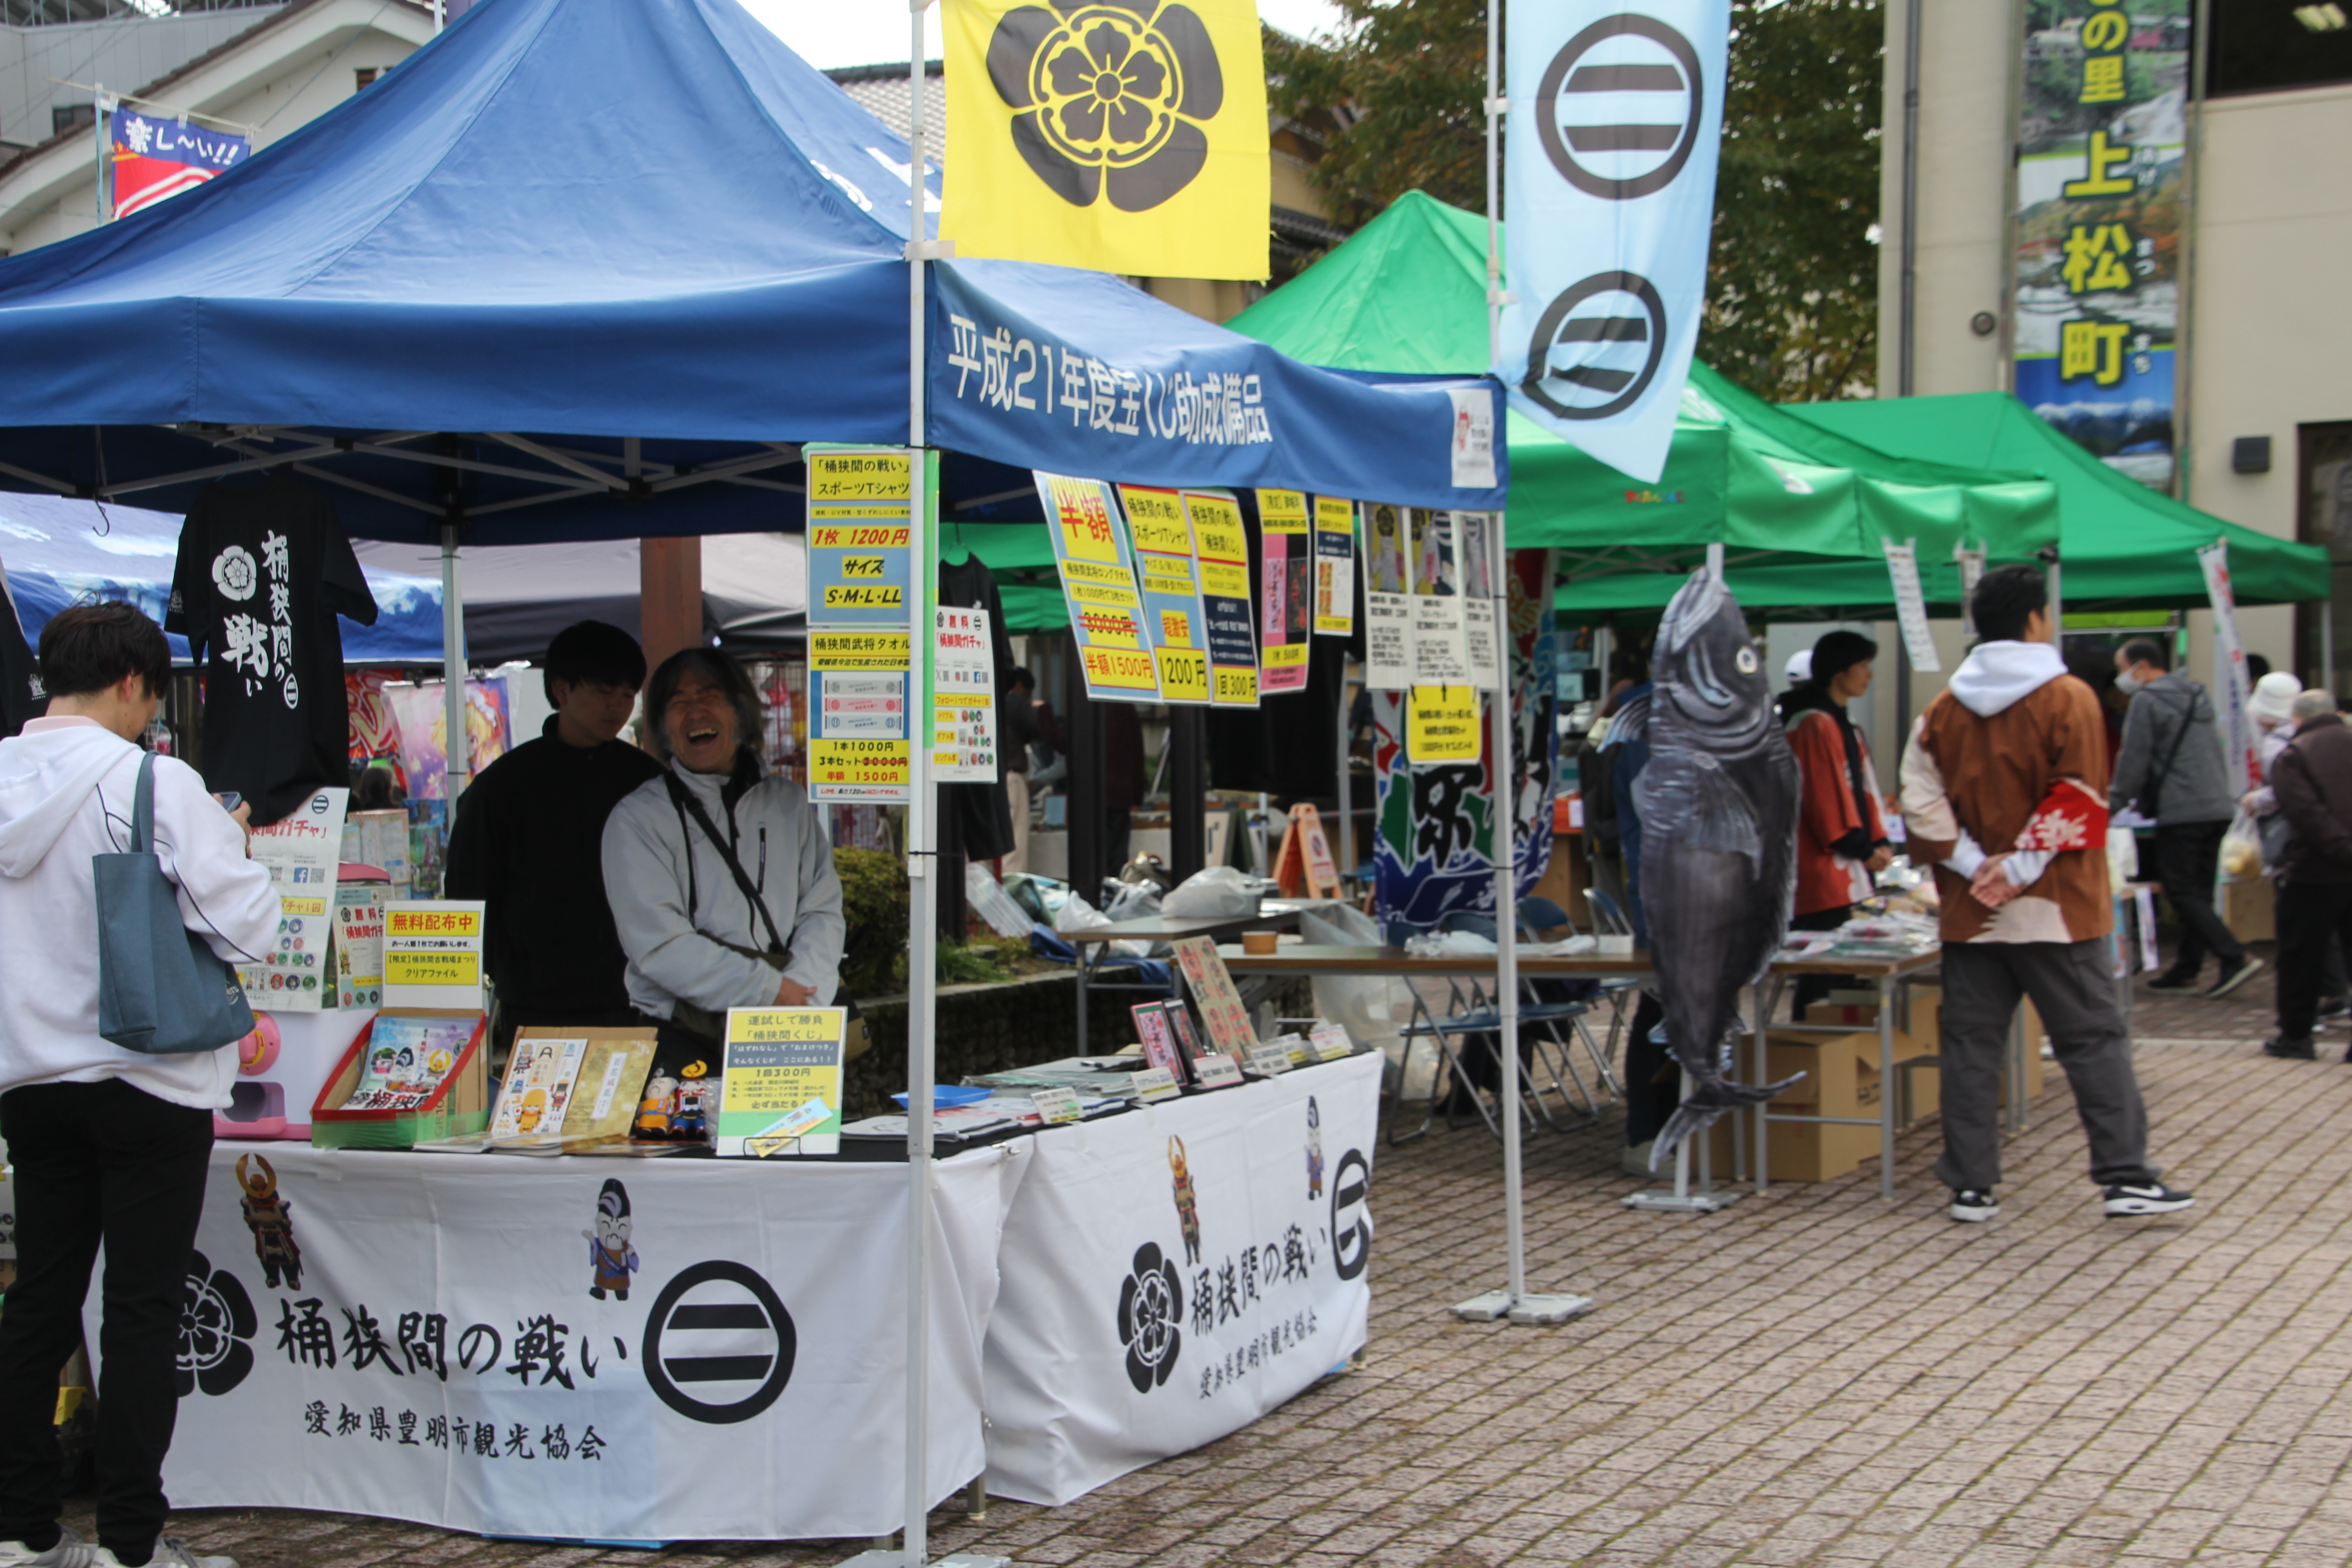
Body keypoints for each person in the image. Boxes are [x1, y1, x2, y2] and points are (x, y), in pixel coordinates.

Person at [0, 603, 279, 1568]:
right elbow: (250, 927)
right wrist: (235, 843)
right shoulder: (152, 782)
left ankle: (22, 1532)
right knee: (142, 1309)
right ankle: (128, 1545)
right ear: (134, 684)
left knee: (38, 1299)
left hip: (27, 1080)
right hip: (147, 1078)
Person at [1899, 565, 2192, 1223]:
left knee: (1972, 1046)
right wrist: (2021, 866)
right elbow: (2081, 791)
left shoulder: (1942, 708)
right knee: (2092, 1040)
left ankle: (1971, 1185)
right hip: (2058, 905)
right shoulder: (2070, 697)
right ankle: (2124, 1176)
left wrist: (1977, 864)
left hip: (1971, 911)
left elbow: (1920, 799)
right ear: (2036, 618)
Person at [602, 650, 844, 1071]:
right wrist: (769, 990)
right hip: (683, 1037)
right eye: (678, 703)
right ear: (662, 725)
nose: (696, 712)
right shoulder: (638, 818)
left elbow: (822, 911)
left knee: (794, 1140)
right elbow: (660, 944)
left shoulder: (788, 804)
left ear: (740, 711)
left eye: (710, 697)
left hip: (788, 1029)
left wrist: (801, 997)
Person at [444, 621, 662, 1058]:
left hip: (641, 1002)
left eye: (628, 693)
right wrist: (508, 973)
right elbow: (468, 894)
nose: (618, 705)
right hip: (538, 1004)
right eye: (604, 690)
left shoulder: (650, 782)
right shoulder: (503, 787)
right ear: (561, 690)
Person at [2111, 637, 2260, 999]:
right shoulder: (2197, 694)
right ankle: (2188, 967)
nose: (2121, 679)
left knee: (2179, 890)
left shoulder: (2147, 700)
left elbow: (2135, 759)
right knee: (2199, 891)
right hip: (2217, 805)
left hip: (2182, 810)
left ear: (2141, 667)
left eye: (2121, 670)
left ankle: (2233, 955)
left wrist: (2112, 803)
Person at [1782, 631, 1894, 1018]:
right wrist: (1862, 846)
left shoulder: (1839, 723)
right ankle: (1812, 1053)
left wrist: (1877, 841)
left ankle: (1832, 1056)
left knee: (1841, 974)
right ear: (1838, 671)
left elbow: (1860, 788)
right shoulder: (1814, 723)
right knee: (1823, 974)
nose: (1869, 675)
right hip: (1823, 869)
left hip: (1845, 867)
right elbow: (1823, 799)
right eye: (1862, 666)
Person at [1598, 673, 1675, 1175]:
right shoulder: (1646, 718)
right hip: (1668, 896)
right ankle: (1646, 1137)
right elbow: (1658, 809)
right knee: (1660, 1014)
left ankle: (1671, 1131)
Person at [2263, 689, 2352, 1060]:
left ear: (2296, 719)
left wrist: (2343, 849)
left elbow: (2306, 813)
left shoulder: (2294, 755)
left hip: (2314, 871)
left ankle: (2296, 1036)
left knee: (2301, 955)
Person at [1000, 667, 1037, 874]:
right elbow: (1037, 726)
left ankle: (978, 899)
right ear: (1020, 687)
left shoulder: (985, 699)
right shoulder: (1016, 703)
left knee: (983, 848)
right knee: (1015, 843)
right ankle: (1012, 895)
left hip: (984, 779)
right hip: (1011, 776)